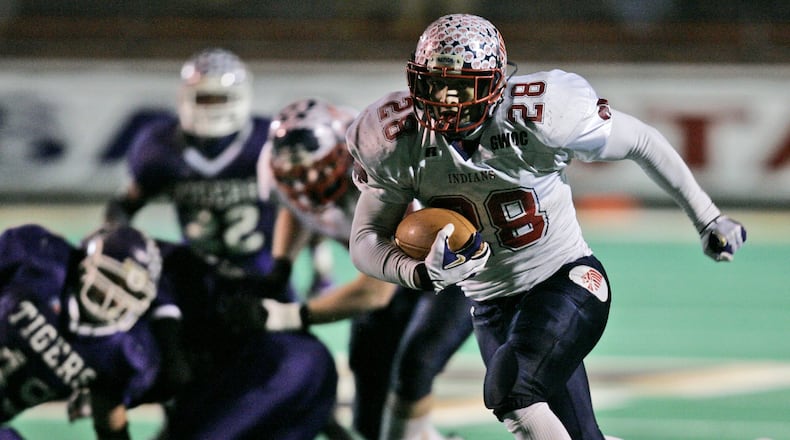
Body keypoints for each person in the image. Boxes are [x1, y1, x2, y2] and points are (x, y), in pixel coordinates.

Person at [345, 13, 746, 440]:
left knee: (511, 393)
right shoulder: (394, 138)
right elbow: (365, 239)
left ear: (495, 85)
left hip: (566, 280)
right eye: (433, 83)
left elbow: (642, 141)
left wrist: (708, 218)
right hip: (490, 305)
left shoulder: (540, 114)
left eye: (461, 86)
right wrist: (419, 273)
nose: (444, 98)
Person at [257, 98, 473, 440]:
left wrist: (288, 316)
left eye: (317, 169)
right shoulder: (279, 173)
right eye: (295, 177)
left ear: (344, 157)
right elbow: (296, 208)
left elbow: (375, 292)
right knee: (369, 408)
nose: (308, 183)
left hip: (452, 271)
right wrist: (281, 263)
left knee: (415, 365)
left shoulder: (381, 170)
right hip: (388, 270)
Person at [103, 47, 293, 301]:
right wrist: (119, 247)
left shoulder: (268, 143)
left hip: (263, 274)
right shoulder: (160, 147)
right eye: (204, 98)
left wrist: (319, 263)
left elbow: (304, 207)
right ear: (185, 98)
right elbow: (124, 206)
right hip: (196, 276)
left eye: (220, 98)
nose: (212, 106)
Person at [0, 224, 164, 439]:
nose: (113, 296)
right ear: (87, 259)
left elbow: (109, 418)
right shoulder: (39, 262)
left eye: (128, 290)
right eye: (109, 277)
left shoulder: (124, 352)